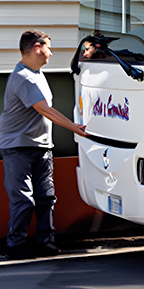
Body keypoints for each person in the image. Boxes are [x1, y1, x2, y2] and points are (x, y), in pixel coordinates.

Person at [2, 31, 88, 258]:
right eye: (49, 47)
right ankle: (16, 244)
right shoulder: (23, 77)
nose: (51, 52)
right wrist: (75, 128)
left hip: (42, 147)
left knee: (46, 198)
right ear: (38, 47)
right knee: (23, 199)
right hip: (17, 147)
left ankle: (45, 241)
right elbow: (45, 110)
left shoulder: (37, 73)